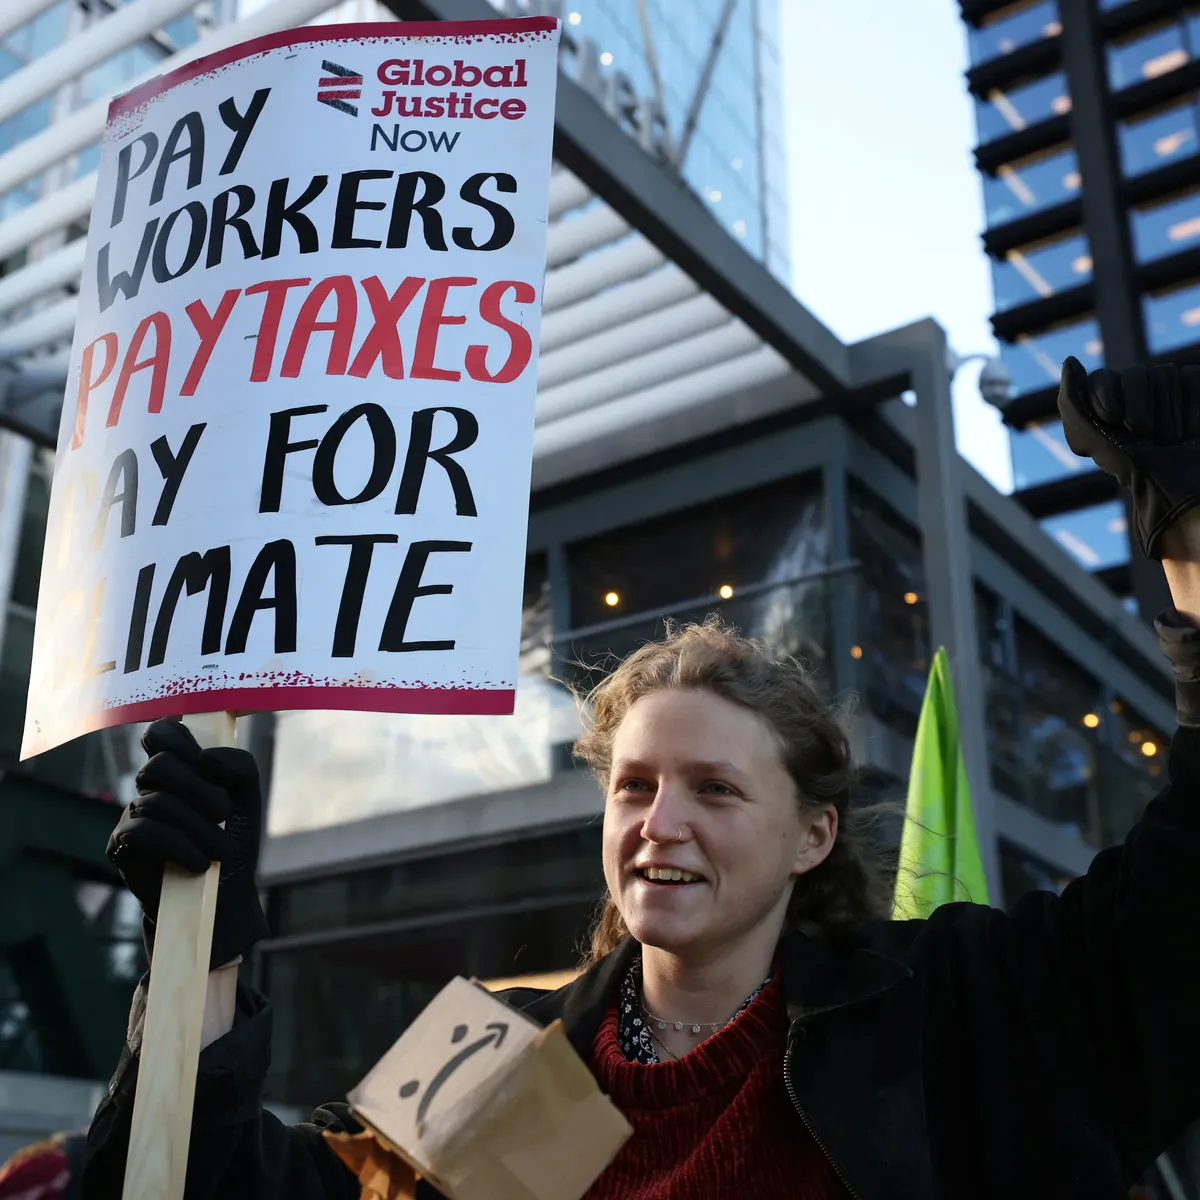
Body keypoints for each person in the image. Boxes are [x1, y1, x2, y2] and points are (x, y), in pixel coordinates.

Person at [83, 360, 1200, 1198]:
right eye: (633, 786)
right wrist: (202, 959)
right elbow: (223, 1188)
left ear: (813, 834)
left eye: (716, 789)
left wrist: (1186, 538)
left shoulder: (944, 1015)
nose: (661, 821)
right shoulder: (508, 1060)